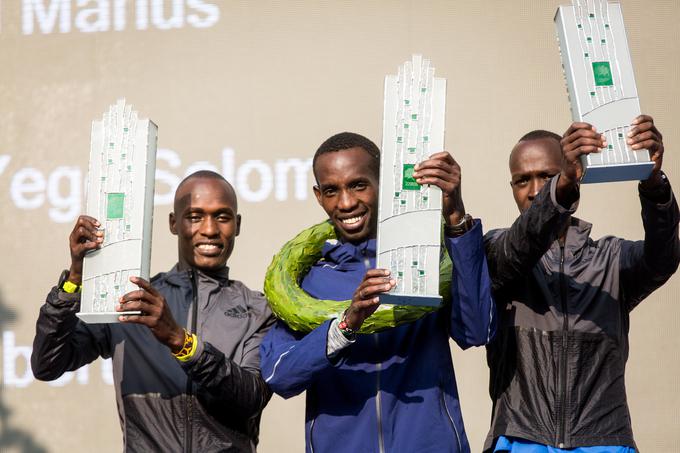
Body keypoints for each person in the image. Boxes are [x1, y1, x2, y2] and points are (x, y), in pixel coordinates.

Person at [260, 132, 496, 453]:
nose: (346, 203)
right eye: (331, 190)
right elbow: (279, 376)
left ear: (382, 182)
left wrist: (455, 217)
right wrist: (346, 325)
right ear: (319, 196)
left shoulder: (423, 260)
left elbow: (476, 331)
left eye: (358, 185)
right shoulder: (310, 283)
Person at [31, 170, 275, 452]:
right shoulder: (132, 300)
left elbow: (251, 398)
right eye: (195, 217)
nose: (210, 229)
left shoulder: (257, 309)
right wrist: (74, 280)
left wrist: (181, 342)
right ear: (173, 223)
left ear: (237, 224)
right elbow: (47, 365)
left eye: (222, 216)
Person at [483, 116, 680, 452]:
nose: (534, 191)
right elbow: (519, 247)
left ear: (577, 173)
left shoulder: (611, 259)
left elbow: (663, 257)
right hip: (520, 439)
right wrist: (559, 188)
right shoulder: (497, 251)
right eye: (522, 181)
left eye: (547, 176)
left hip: (604, 440)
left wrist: (653, 183)